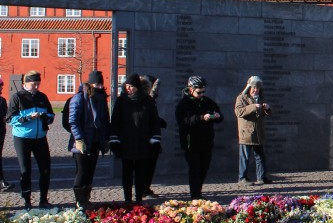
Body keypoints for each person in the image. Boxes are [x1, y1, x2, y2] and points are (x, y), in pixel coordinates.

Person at [109, 73, 162, 205]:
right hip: (126, 143)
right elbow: (115, 121)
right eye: (127, 86)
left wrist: (155, 140)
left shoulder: (147, 101)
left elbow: (154, 121)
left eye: (131, 86)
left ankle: (139, 199)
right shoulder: (121, 101)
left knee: (140, 173)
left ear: (137, 87)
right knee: (126, 173)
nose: (129, 89)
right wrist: (114, 140)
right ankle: (127, 199)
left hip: (143, 143)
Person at [8, 70, 55, 209]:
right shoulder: (17, 97)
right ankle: (27, 200)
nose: (36, 87)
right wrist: (28, 117)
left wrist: (45, 117)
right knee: (25, 170)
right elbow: (9, 118)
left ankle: (43, 199)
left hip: (40, 137)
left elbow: (51, 115)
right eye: (33, 84)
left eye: (38, 84)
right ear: (25, 83)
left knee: (45, 168)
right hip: (22, 138)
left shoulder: (42, 97)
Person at [175, 75, 223, 198]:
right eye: (199, 92)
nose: (202, 94)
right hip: (191, 143)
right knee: (194, 170)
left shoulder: (207, 101)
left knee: (203, 169)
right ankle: (195, 196)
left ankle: (198, 192)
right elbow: (184, 121)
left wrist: (217, 116)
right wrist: (201, 117)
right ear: (191, 89)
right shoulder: (183, 104)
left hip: (206, 142)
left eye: (203, 91)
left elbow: (220, 115)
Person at [68, 70, 110, 209]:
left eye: (100, 84)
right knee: (81, 171)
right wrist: (79, 138)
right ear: (90, 83)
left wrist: (105, 139)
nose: (98, 86)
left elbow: (105, 120)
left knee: (90, 171)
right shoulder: (79, 98)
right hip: (82, 141)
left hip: (96, 141)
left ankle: (86, 199)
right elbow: (73, 121)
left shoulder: (102, 99)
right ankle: (79, 201)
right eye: (96, 83)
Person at [235, 76, 273, 186]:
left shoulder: (260, 98)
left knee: (260, 157)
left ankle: (261, 177)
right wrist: (253, 107)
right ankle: (242, 178)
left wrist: (267, 109)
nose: (255, 90)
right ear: (249, 87)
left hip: (258, 133)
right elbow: (238, 112)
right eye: (253, 87)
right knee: (245, 157)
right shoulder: (241, 98)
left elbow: (269, 114)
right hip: (246, 133)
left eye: (258, 88)